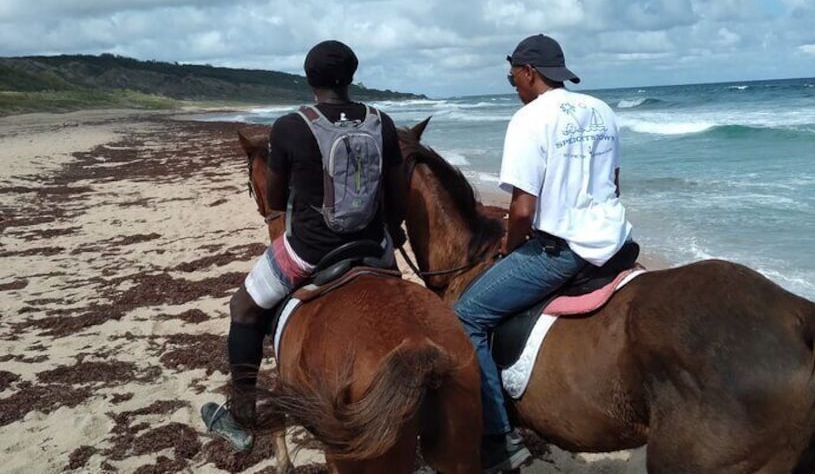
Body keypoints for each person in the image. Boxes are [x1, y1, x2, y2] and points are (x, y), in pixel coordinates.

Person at [201, 40, 407, 451]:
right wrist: (391, 230)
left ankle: (241, 417)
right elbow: (396, 193)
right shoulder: (381, 121)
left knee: (243, 307)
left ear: (310, 80)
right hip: (374, 245)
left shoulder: (290, 126)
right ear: (352, 77)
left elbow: (276, 201)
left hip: (310, 250)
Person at [454, 34, 633, 473]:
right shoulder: (601, 110)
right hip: (618, 244)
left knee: (466, 315)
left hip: (564, 251)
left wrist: (508, 250)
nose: (512, 84)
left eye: (511, 75)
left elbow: (523, 209)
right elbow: (613, 184)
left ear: (528, 72)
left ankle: (499, 438)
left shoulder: (529, 119)